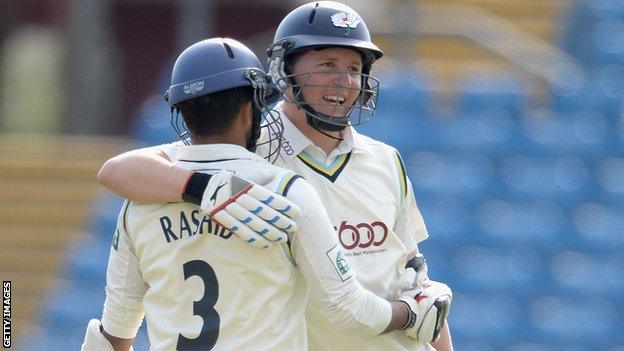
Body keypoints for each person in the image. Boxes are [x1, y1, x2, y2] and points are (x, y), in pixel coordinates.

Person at [97, 2, 454, 351]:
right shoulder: (248, 148)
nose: (344, 80)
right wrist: (204, 189)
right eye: (328, 64)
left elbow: (413, 274)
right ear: (285, 69)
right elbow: (117, 171)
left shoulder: (385, 159)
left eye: (354, 67)